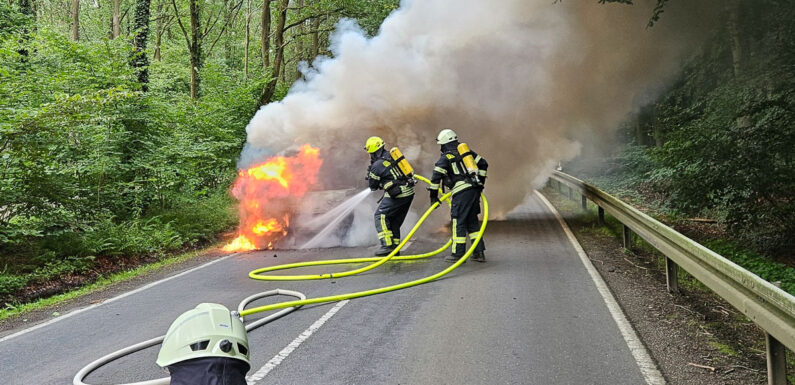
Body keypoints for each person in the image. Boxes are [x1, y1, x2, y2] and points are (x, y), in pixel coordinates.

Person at [428, 129, 488, 262]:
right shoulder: (467, 152)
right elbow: (484, 164)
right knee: (472, 222)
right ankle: (479, 253)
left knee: (458, 222)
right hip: (473, 191)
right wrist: (480, 185)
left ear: (444, 144)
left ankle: (457, 254)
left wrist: (433, 197)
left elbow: (435, 178)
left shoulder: (445, 157)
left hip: (461, 193)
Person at [364, 136, 415, 256]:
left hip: (398, 194)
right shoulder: (392, 156)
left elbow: (373, 186)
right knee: (393, 221)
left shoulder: (377, 165)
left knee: (380, 216)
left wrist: (373, 177)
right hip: (408, 192)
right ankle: (395, 248)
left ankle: (386, 245)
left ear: (373, 151)